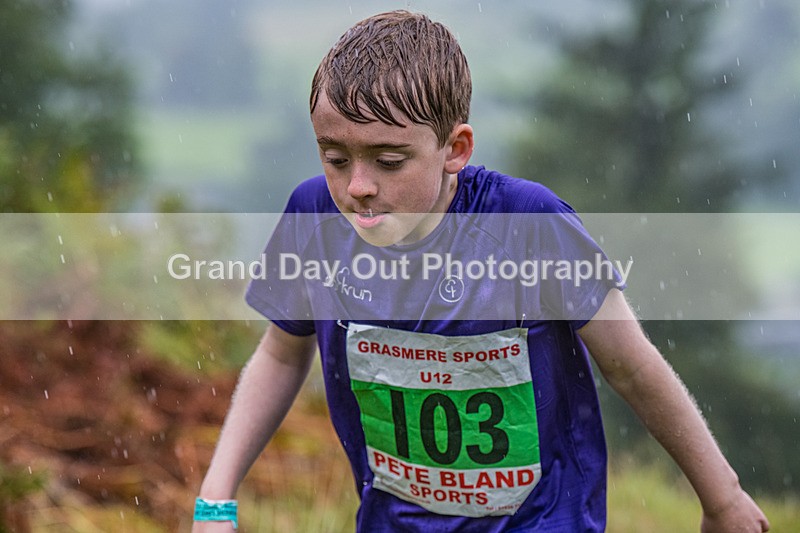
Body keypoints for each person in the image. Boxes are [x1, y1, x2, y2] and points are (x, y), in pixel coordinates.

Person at [193, 10, 769, 532]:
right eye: (335, 158)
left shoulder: (530, 223)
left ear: (456, 149)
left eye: (388, 161)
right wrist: (215, 498)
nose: (358, 186)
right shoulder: (314, 217)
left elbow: (632, 366)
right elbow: (281, 355)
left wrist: (722, 500)